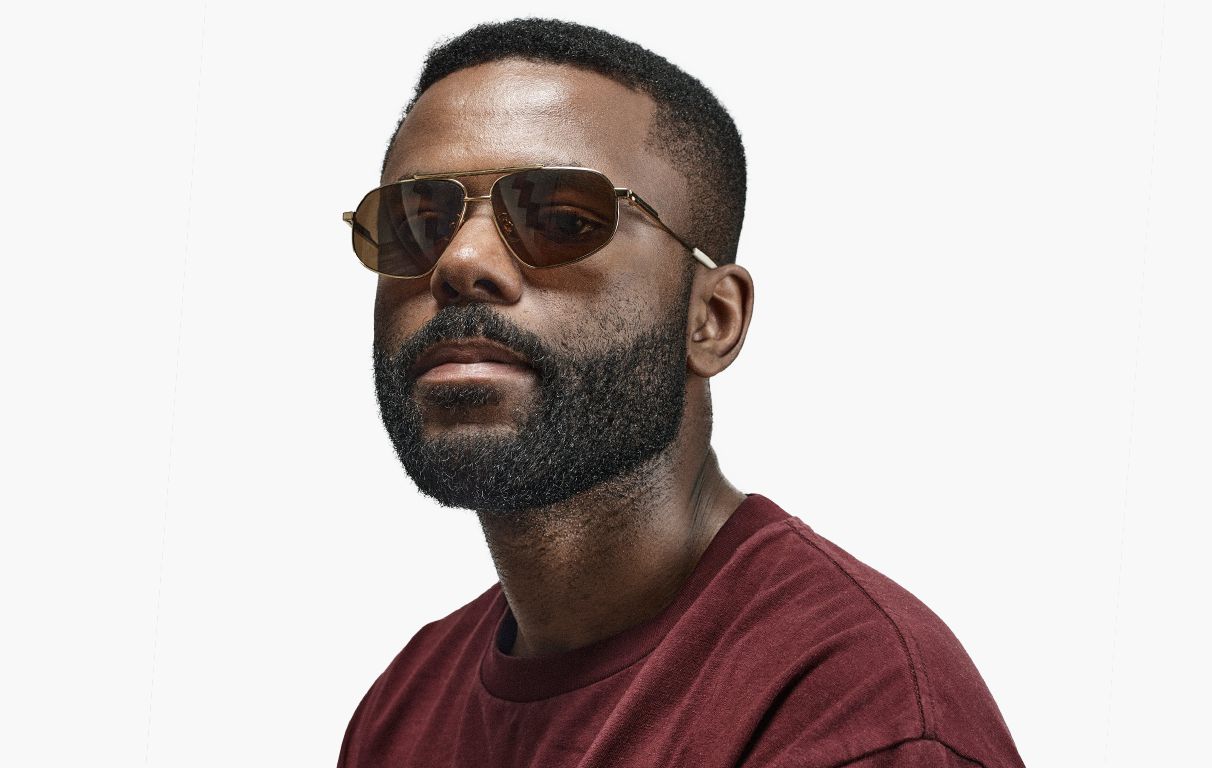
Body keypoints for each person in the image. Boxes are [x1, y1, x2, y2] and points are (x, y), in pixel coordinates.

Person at [337, 18, 1024, 768]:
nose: (459, 262)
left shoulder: (857, 710)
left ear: (712, 319)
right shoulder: (403, 708)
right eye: (415, 223)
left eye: (562, 218)